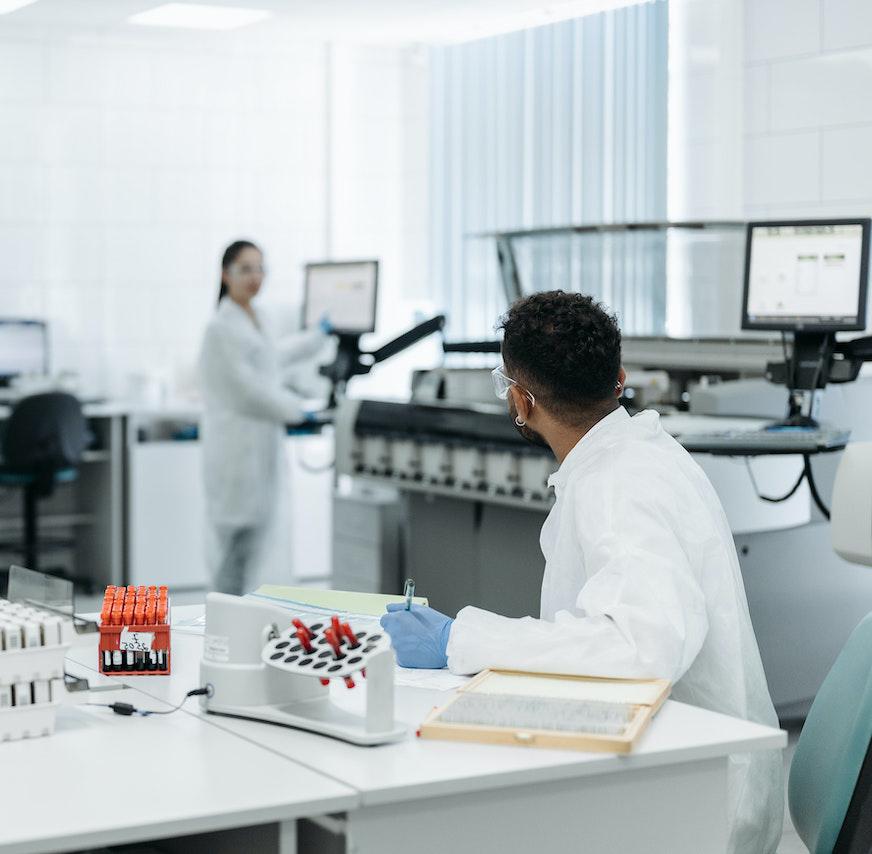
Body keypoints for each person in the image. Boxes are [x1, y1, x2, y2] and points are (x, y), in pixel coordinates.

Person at [380, 291, 784, 854]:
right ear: (618, 379)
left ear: (521, 401)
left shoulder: (618, 486)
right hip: (666, 760)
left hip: (691, 803)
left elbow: (640, 648)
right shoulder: (634, 455)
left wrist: (459, 639)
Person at [199, 240, 330, 595]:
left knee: (258, 546)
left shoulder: (257, 317)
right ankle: (224, 623)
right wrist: (298, 410)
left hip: (259, 450)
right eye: (246, 269)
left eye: (260, 268)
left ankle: (248, 620)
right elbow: (249, 391)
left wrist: (318, 337)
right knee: (237, 548)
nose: (255, 277)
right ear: (226, 274)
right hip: (237, 455)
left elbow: (272, 357)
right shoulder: (220, 328)